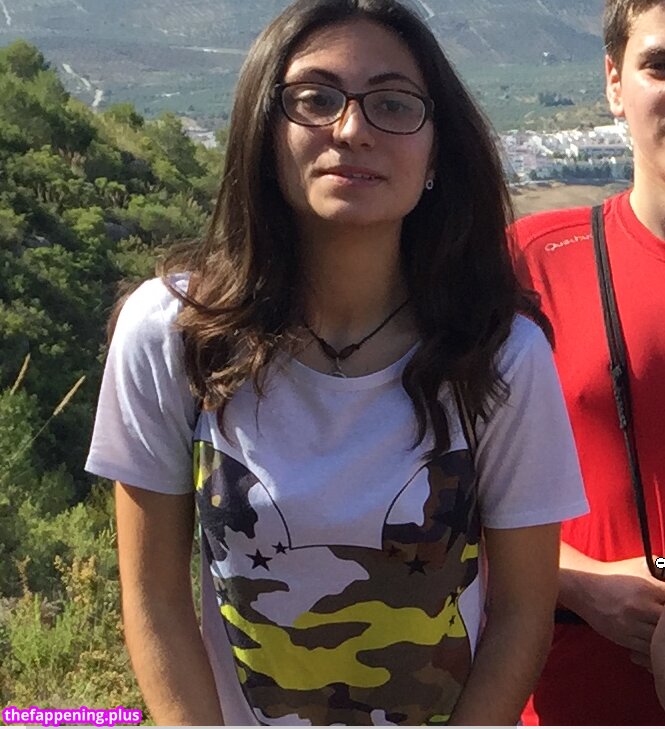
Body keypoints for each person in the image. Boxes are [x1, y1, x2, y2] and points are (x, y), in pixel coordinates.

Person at [86, 0, 587, 724]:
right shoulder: (173, 333)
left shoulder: (500, 355)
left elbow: (519, 614)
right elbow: (154, 598)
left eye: (393, 103)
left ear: (436, 153)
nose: (351, 130)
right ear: (264, 131)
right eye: (315, 99)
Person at [511, 0, 665, 723]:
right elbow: (434, 488)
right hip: (572, 692)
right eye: (659, 65)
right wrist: (581, 582)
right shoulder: (533, 264)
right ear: (613, 83)